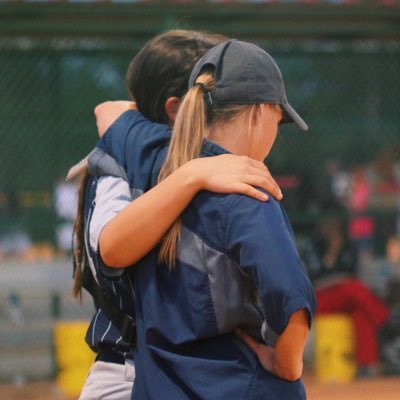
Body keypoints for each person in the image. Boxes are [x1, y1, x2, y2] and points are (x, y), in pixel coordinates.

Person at [73, 31, 283, 400]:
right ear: (176, 109)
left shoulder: (216, 171)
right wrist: (192, 176)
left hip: (205, 375)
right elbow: (112, 246)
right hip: (129, 372)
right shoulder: (118, 166)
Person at [114, 39, 316, 400]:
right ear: (259, 112)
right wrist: (288, 364)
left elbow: (110, 115)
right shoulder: (248, 194)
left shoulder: (157, 184)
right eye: (278, 118)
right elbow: (290, 295)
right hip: (238, 386)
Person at [306, 216, 390, 377]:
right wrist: (333, 250)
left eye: (334, 222)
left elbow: (356, 272)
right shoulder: (314, 245)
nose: (330, 227)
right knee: (354, 288)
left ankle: (367, 366)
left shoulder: (350, 244)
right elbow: (318, 274)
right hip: (321, 296)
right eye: (327, 222)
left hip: (347, 297)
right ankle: (385, 320)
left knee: (361, 314)